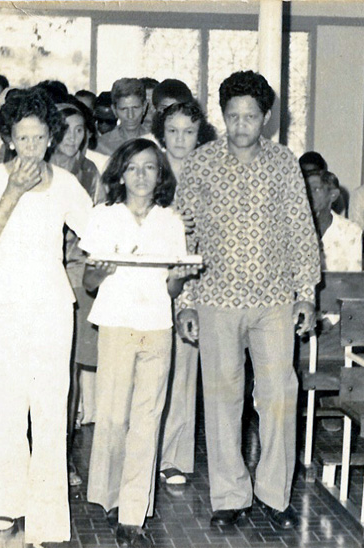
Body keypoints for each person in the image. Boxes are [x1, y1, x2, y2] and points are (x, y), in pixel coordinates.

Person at [175, 70, 320, 530]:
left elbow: (302, 230)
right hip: (215, 297)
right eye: (233, 116)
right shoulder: (200, 163)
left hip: (275, 299)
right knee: (221, 400)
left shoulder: (283, 163)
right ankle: (230, 495)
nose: (241, 125)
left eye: (250, 116)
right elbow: (182, 236)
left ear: (266, 118)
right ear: (223, 116)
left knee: (279, 395)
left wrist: (306, 294)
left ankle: (275, 495)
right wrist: (187, 302)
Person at [0, 87, 92, 546]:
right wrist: (12, 193)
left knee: (52, 411)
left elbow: (97, 236)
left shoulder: (67, 184)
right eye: (23, 138)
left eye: (40, 138)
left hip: (53, 305)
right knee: (7, 407)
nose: (32, 147)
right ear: (9, 137)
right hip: (0, 303)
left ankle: (49, 517)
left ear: (51, 138)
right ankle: (3, 503)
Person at [81, 139, 196, 548]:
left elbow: (172, 285)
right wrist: (104, 271)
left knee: (147, 418)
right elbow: (89, 282)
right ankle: (108, 496)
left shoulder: (170, 221)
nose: (142, 176)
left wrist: (181, 275)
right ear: (120, 174)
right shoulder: (103, 217)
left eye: (150, 167)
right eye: (133, 168)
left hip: (157, 327)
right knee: (113, 417)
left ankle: (133, 513)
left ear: (160, 174)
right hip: (115, 325)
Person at [150, 99, 216, 486]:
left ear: (199, 134)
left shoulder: (208, 171)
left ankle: (174, 457)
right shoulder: (150, 169)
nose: (180, 139)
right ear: (162, 133)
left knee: (184, 369)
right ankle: (144, 450)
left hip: (192, 281)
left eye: (188, 132)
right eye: (172, 131)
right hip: (151, 280)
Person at [50, 99, 103, 488]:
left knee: (69, 372)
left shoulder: (92, 173)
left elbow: (96, 227)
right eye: (65, 129)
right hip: (42, 278)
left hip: (78, 275)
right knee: (45, 373)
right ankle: (40, 454)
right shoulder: (40, 171)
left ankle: (64, 456)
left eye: (80, 130)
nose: (73, 137)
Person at [306, 170, 362, 272]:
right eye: (306, 190)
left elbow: (354, 277)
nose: (308, 195)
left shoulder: (351, 231)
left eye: (315, 189)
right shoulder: (293, 228)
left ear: (333, 195)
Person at [96, 79, 149, 155]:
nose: (130, 115)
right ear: (114, 110)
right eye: (124, 109)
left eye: (135, 108)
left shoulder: (155, 140)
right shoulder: (101, 145)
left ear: (144, 107)